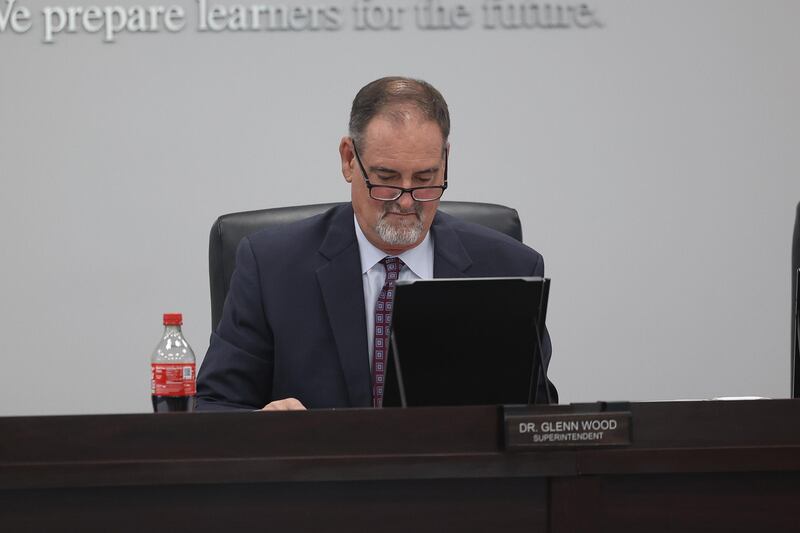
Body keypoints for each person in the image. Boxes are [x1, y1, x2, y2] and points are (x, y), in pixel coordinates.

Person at [196, 76, 554, 411]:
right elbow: (215, 406)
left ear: (446, 161)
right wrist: (264, 426)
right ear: (349, 160)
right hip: (321, 475)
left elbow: (537, 420)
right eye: (386, 179)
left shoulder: (510, 268)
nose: (405, 201)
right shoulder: (272, 266)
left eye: (425, 179)